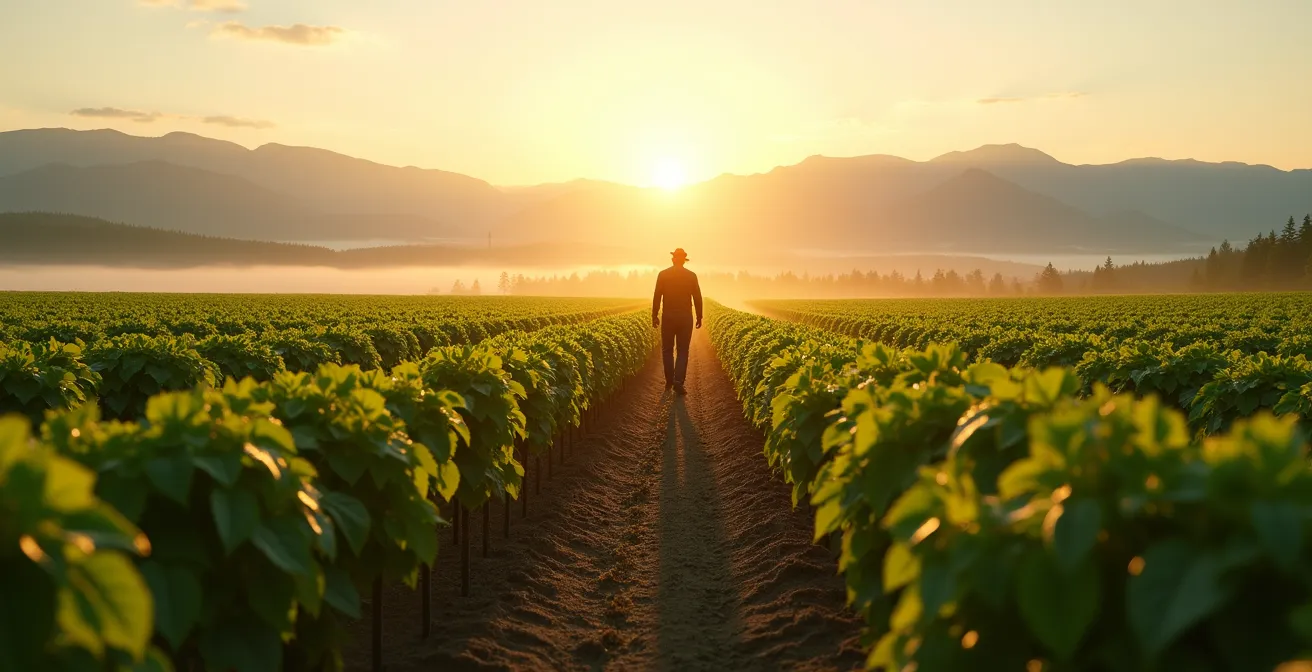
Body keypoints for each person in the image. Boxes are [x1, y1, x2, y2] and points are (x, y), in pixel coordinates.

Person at [651, 247, 703, 395]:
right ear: (684, 261)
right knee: (683, 350)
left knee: (667, 349)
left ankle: (669, 380)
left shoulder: (663, 274)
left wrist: (654, 315)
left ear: (673, 259)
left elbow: (657, 296)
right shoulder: (691, 276)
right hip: (685, 318)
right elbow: (697, 297)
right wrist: (699, 316)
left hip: (668, 317)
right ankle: (678, 381)